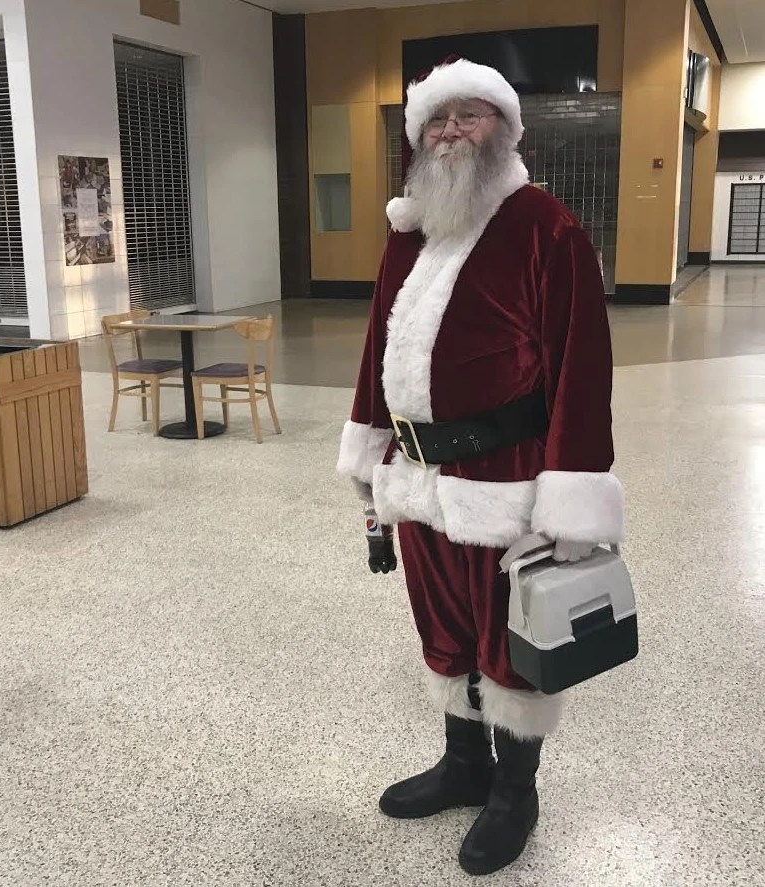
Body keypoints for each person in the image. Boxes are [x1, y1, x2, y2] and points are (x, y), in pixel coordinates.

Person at [337, 58, 624, 876]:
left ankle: (514, 792)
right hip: (416, 477)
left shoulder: (545, 228)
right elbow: (377, 349)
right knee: (444, 629)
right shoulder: (409, 231)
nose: (450, 131)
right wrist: (367, 454)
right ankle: (463, 764)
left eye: (470, 114)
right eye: (436, 118)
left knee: (510, 643)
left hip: (509, 478)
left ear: (504, 128)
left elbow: (580, 368)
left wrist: (571, 498)